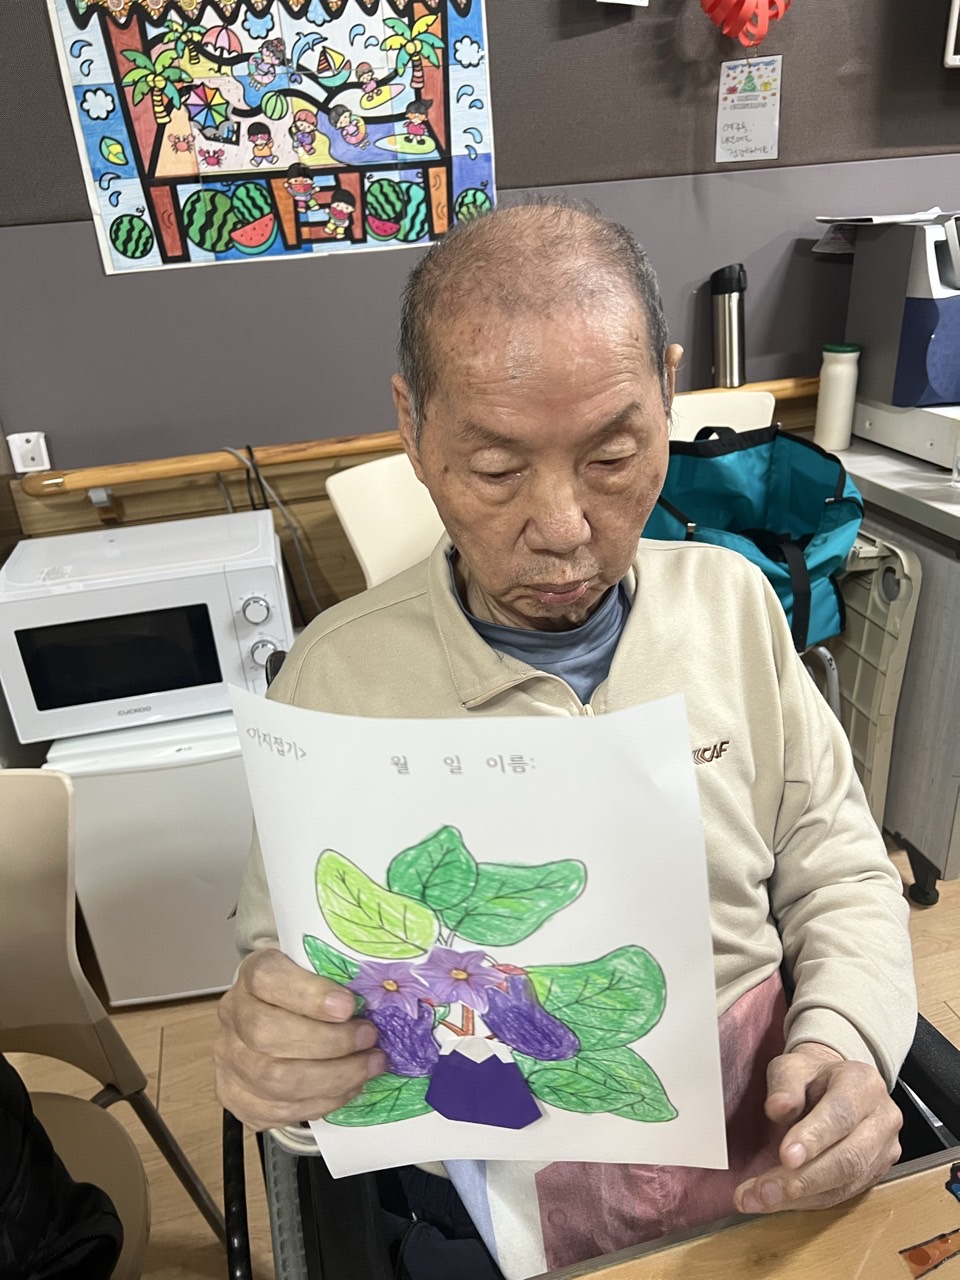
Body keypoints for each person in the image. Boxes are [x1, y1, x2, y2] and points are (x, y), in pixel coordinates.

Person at [215, 201, 916, 1279]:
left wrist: (847, 1041)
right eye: (497, 469)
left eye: (614, 455)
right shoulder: (334, 685)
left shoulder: (732, 607)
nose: (563, 527)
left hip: (768, 1149)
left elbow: (839, 867)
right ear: (413, 427)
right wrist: (282, 1065)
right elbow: (289, 992)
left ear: (668, 395)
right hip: (502, 1193)